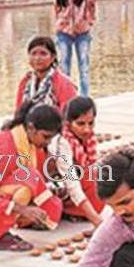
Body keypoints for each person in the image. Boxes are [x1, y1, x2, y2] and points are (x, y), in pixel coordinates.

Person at [0, 104, 66, 251]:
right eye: (45, 137)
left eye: (50, 139)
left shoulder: (25, 143)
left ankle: (8, 224)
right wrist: (21, 209)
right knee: (24, 188)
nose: (47, 143)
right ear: (31, 128)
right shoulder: (5, 149)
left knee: (33, 182)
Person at [44, 96, 105, 226]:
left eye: (90, 123)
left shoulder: (89, 139)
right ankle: (69, 210)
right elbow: (70, 181)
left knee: (102, 178)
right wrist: (95, 219)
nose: (87, 129)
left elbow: (92, 166)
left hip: (71, 183)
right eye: (80, 124)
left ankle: (75, 210)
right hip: (54, 185)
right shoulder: (62, 142)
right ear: (68, 123)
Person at [53, 0, 96, 97]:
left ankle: (84, 98)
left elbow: (91, 2)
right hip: (63, 30)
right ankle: (67, 97)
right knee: (64, 66)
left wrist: (90, 20)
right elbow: (57, 5)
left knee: (84, 65)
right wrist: (58, 21)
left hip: (82, 30)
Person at [15, 35, 80, 112]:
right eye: (33, 53)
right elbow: (18, 111)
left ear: (52, 57)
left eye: (43, 54)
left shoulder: (64, 84)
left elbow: (69, 116)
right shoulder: (25, 82)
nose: (37, 58)